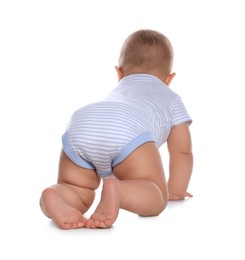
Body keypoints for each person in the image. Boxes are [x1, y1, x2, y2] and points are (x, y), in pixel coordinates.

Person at [40, 29, 193, 229]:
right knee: (156, 196)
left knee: (76, 189)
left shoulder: (118, 89)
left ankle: (56, 195)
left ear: (119, 73)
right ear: (169, 79)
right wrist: (175, 190)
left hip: (84, 120)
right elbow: (182, 151)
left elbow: (109, 120)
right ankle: (118, 190)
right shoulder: (171, 98)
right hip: (129, 127)